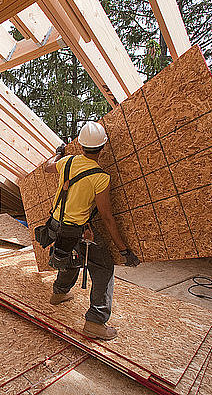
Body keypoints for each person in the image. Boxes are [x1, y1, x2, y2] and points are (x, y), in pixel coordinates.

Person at [42, 121, 140, 341]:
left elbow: (46, 167)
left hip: (56, 225)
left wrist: (58, 154)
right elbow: (106, 217)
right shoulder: (101, 177)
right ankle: (95, 322)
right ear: (103, 148)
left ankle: (59, 293)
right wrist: (124, 250)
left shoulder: (67, 162)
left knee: (67, 255)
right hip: (76, 228)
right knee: (103, 267)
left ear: (80, 145)